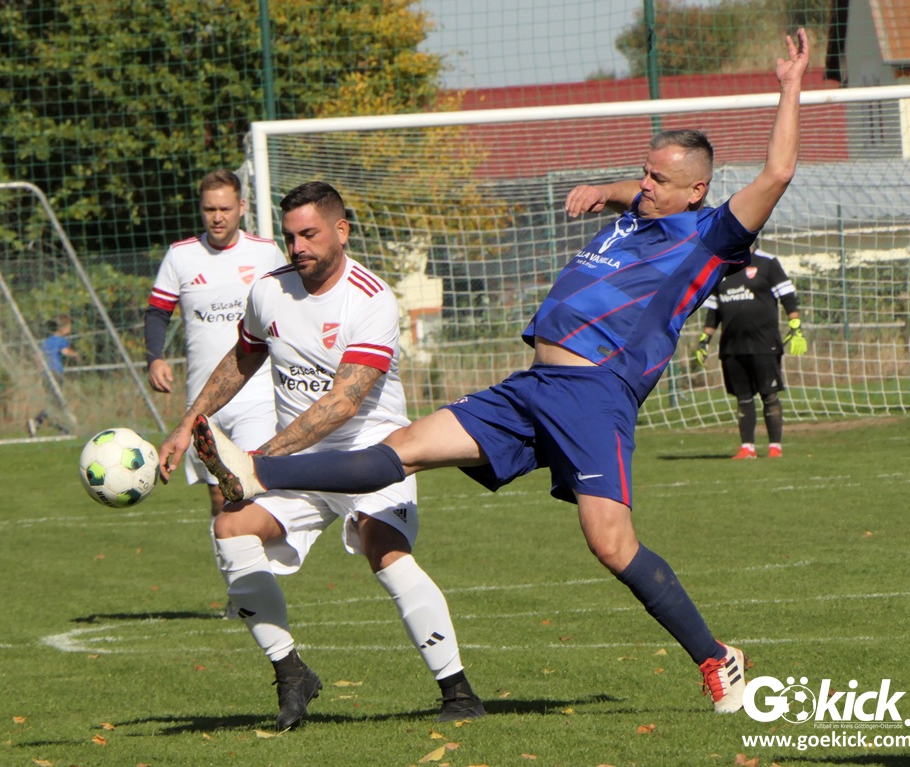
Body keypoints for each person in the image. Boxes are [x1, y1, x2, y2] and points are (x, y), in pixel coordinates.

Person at [185, 29, 810, 717]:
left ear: (697, 190)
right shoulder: (640, 211)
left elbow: (777, 173)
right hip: (532, 387)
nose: (643, 184)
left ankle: (717, 658)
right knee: (402, 448)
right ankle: (257, 472)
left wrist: (788, 87)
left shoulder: (710, 234)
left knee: (611, 544)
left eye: (658, 179)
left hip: (595, 395)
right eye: (643, 172)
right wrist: (604, 190)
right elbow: (630, 193)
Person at [158, 181, 485, 730]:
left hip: (372, 456)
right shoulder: (269, 291)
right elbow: (242, 358)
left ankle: (458, 691)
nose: (298, 247)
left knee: (385, 549)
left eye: (309, 234)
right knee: (230, 528)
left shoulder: (371, 297)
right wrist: (188, 423)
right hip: (298, 463)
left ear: (342, 230)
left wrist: (260, 461)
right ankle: (291, 673)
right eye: (291, 237)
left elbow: (342, 403)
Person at [145, 169, 285, 519]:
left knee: (250, 490)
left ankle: (259, 553)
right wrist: (154, 358)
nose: (217, 217)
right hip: (204, 399)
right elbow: (158, 312)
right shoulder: (181, 256)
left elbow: (292, 306)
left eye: (225, 209)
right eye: (210, 209)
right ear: (201, 209)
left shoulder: (266, 253)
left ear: (241, 207)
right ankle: (232, 555)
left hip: (257, 394)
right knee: (219, 499)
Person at [695, 242, 807, 459]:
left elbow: (787, 296)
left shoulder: (767, 263)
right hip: (732, 346)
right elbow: (713, 311)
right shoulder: (722, 267)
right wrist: (704, 340)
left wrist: (796, 326)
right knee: (743, 397)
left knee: (769, 395)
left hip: (764, 343)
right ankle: (747, 448)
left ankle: (775, 447)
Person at [28, 313, 78, 436]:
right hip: (56, 373)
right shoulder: (62, 340)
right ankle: (38, 421)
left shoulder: (47, 341)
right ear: (63, 328)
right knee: (56, 402)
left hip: (47, 374)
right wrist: (76, 354)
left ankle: (58, 426)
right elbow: (65, 351)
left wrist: (41, 369)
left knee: (54, 402)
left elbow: (37, 355)